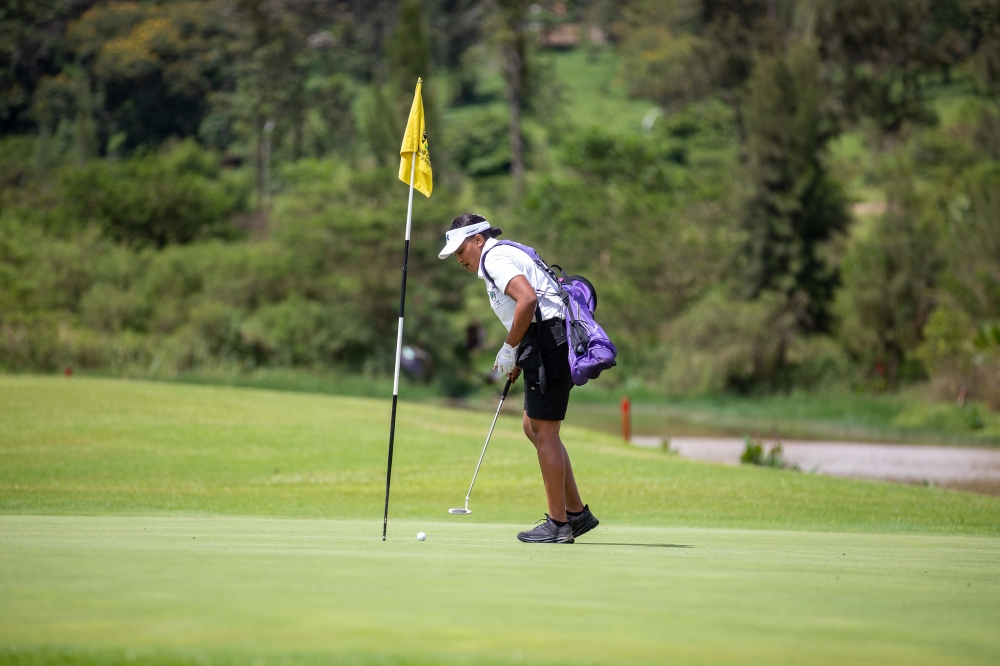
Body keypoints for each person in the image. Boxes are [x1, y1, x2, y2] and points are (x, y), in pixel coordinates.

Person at [438, 213, 600, 544]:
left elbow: (528, 299)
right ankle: (576, 513)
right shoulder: (499, 256)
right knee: (533, 426)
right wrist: (520, 352)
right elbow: (528, 307)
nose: (458, 257)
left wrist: (510, 347)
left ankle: (559, 524)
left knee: (544, 429)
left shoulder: (495, 258)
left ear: (477, 240)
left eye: (460, 249)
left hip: (550, 338)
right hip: (545, 339)